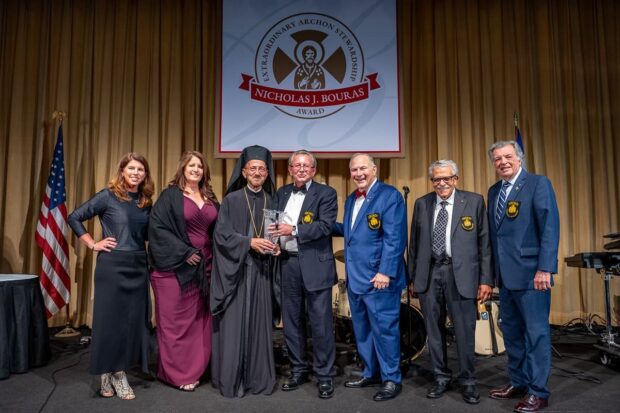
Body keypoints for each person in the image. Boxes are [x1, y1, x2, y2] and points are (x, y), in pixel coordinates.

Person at [67, 152, 154, 400]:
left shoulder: (146, 201)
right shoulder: (108, 196)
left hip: (138, 265)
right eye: (131, 169)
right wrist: (92, 243)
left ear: (145, 174)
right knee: (110, 322)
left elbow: (149, 235)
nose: (136, 173)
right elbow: (74, 217)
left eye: (140, 169)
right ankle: (117, 373)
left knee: (131, 324)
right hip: (112, 266)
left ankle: (109, 371)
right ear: (122, 171)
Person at [409, 160, 493, 404]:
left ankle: (467, 381)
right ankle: (441, 378)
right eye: (436, 179)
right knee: (434, 332)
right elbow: (414, 245)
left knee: (465, 331)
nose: (441, 183)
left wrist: (486, 280)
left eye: (446, 178)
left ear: (456, 179)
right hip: (430, 274)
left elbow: (484, 244)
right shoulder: (422, 204)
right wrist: (413, 278)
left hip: (463, 276)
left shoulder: (474, 201)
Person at [486, 141, 560, 413]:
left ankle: (538, 392)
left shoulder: (538, 184)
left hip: (532, 276)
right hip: (505, 278)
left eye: (507, 156)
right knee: (512, 333)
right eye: (497, 159)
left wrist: (545, 268)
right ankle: (518, 382)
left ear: (519, 158)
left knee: (536, 334)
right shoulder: (494, 191)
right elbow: (497, 237)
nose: (503, 162)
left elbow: (549, 227)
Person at [333, 153, 407, 401]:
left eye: (363, 168)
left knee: (385, 331)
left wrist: (385, 271)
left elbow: (394, 238)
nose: (358, 173)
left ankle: (391, 378)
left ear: (374, 169)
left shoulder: (390, 196)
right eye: (354, 170)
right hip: (356, 278)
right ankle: (371, 371)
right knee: (362, 330)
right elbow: (350, 231)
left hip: (379, 278)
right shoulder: (352, 199)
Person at [210, 145, 280, 398]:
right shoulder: (231, 200)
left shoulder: (272, 201)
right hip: (238, 272)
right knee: (236, 324)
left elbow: (276, 235)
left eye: (262, 169)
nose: (258, 172)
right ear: (244, 171)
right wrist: (248, 243)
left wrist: (275, 248)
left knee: (259, 325)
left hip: (261, 273)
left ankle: (257, 380)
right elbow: (221, 235)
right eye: (253, 168)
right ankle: (233, 379)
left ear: (267, 173)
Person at [269, 150, 337, 399]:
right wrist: (274, 243)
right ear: (289, 170)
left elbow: (325, 225)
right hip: (287, 264)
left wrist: (294, 229)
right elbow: (274, 224)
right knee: (292, 323)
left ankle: (325, 375)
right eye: (296, 165)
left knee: (320, 324)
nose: (301, 169)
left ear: (313, 170)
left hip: (315, 266)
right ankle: (298, 369)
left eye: (306, 165)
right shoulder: (282, 193)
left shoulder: (326, 193)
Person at [148, 151, 218, 392]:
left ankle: (196, 368)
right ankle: (176, 374)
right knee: (174, 324)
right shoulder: (171, 196)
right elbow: (156, 229)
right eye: (191, 165)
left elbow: (218, 230)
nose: (196, 169)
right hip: (174, 269)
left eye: (200, 166)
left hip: (205, 268)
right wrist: (185, 252)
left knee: (198, 323)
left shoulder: (210, 197)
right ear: (183, 168)